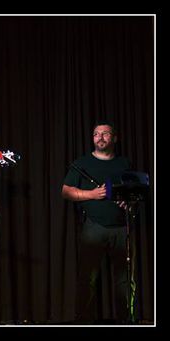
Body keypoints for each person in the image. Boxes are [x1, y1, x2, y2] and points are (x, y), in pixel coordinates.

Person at [62, 121, 131, 324]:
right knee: (87, 280)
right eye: (96, 134)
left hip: (122, 229)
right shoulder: (82, 163)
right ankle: (83, 321)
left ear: (114, 138)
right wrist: (91, 193)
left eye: (105, 134)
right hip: (93, 228)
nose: (100, 137)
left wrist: (128, 200)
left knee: (125, 280)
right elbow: (65, 191)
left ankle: (127, 321)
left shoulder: (124, 163)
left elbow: (133, 190)